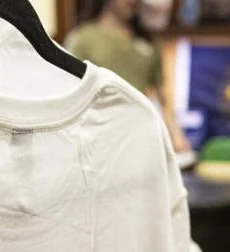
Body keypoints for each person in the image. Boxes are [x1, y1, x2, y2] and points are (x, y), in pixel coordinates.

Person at [66, 0, 191, 152]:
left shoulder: (149, 42)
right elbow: (69, 96)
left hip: (138, 139)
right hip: (95, 140)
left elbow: (164, 100)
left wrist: (177, 136)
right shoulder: (83, 39)